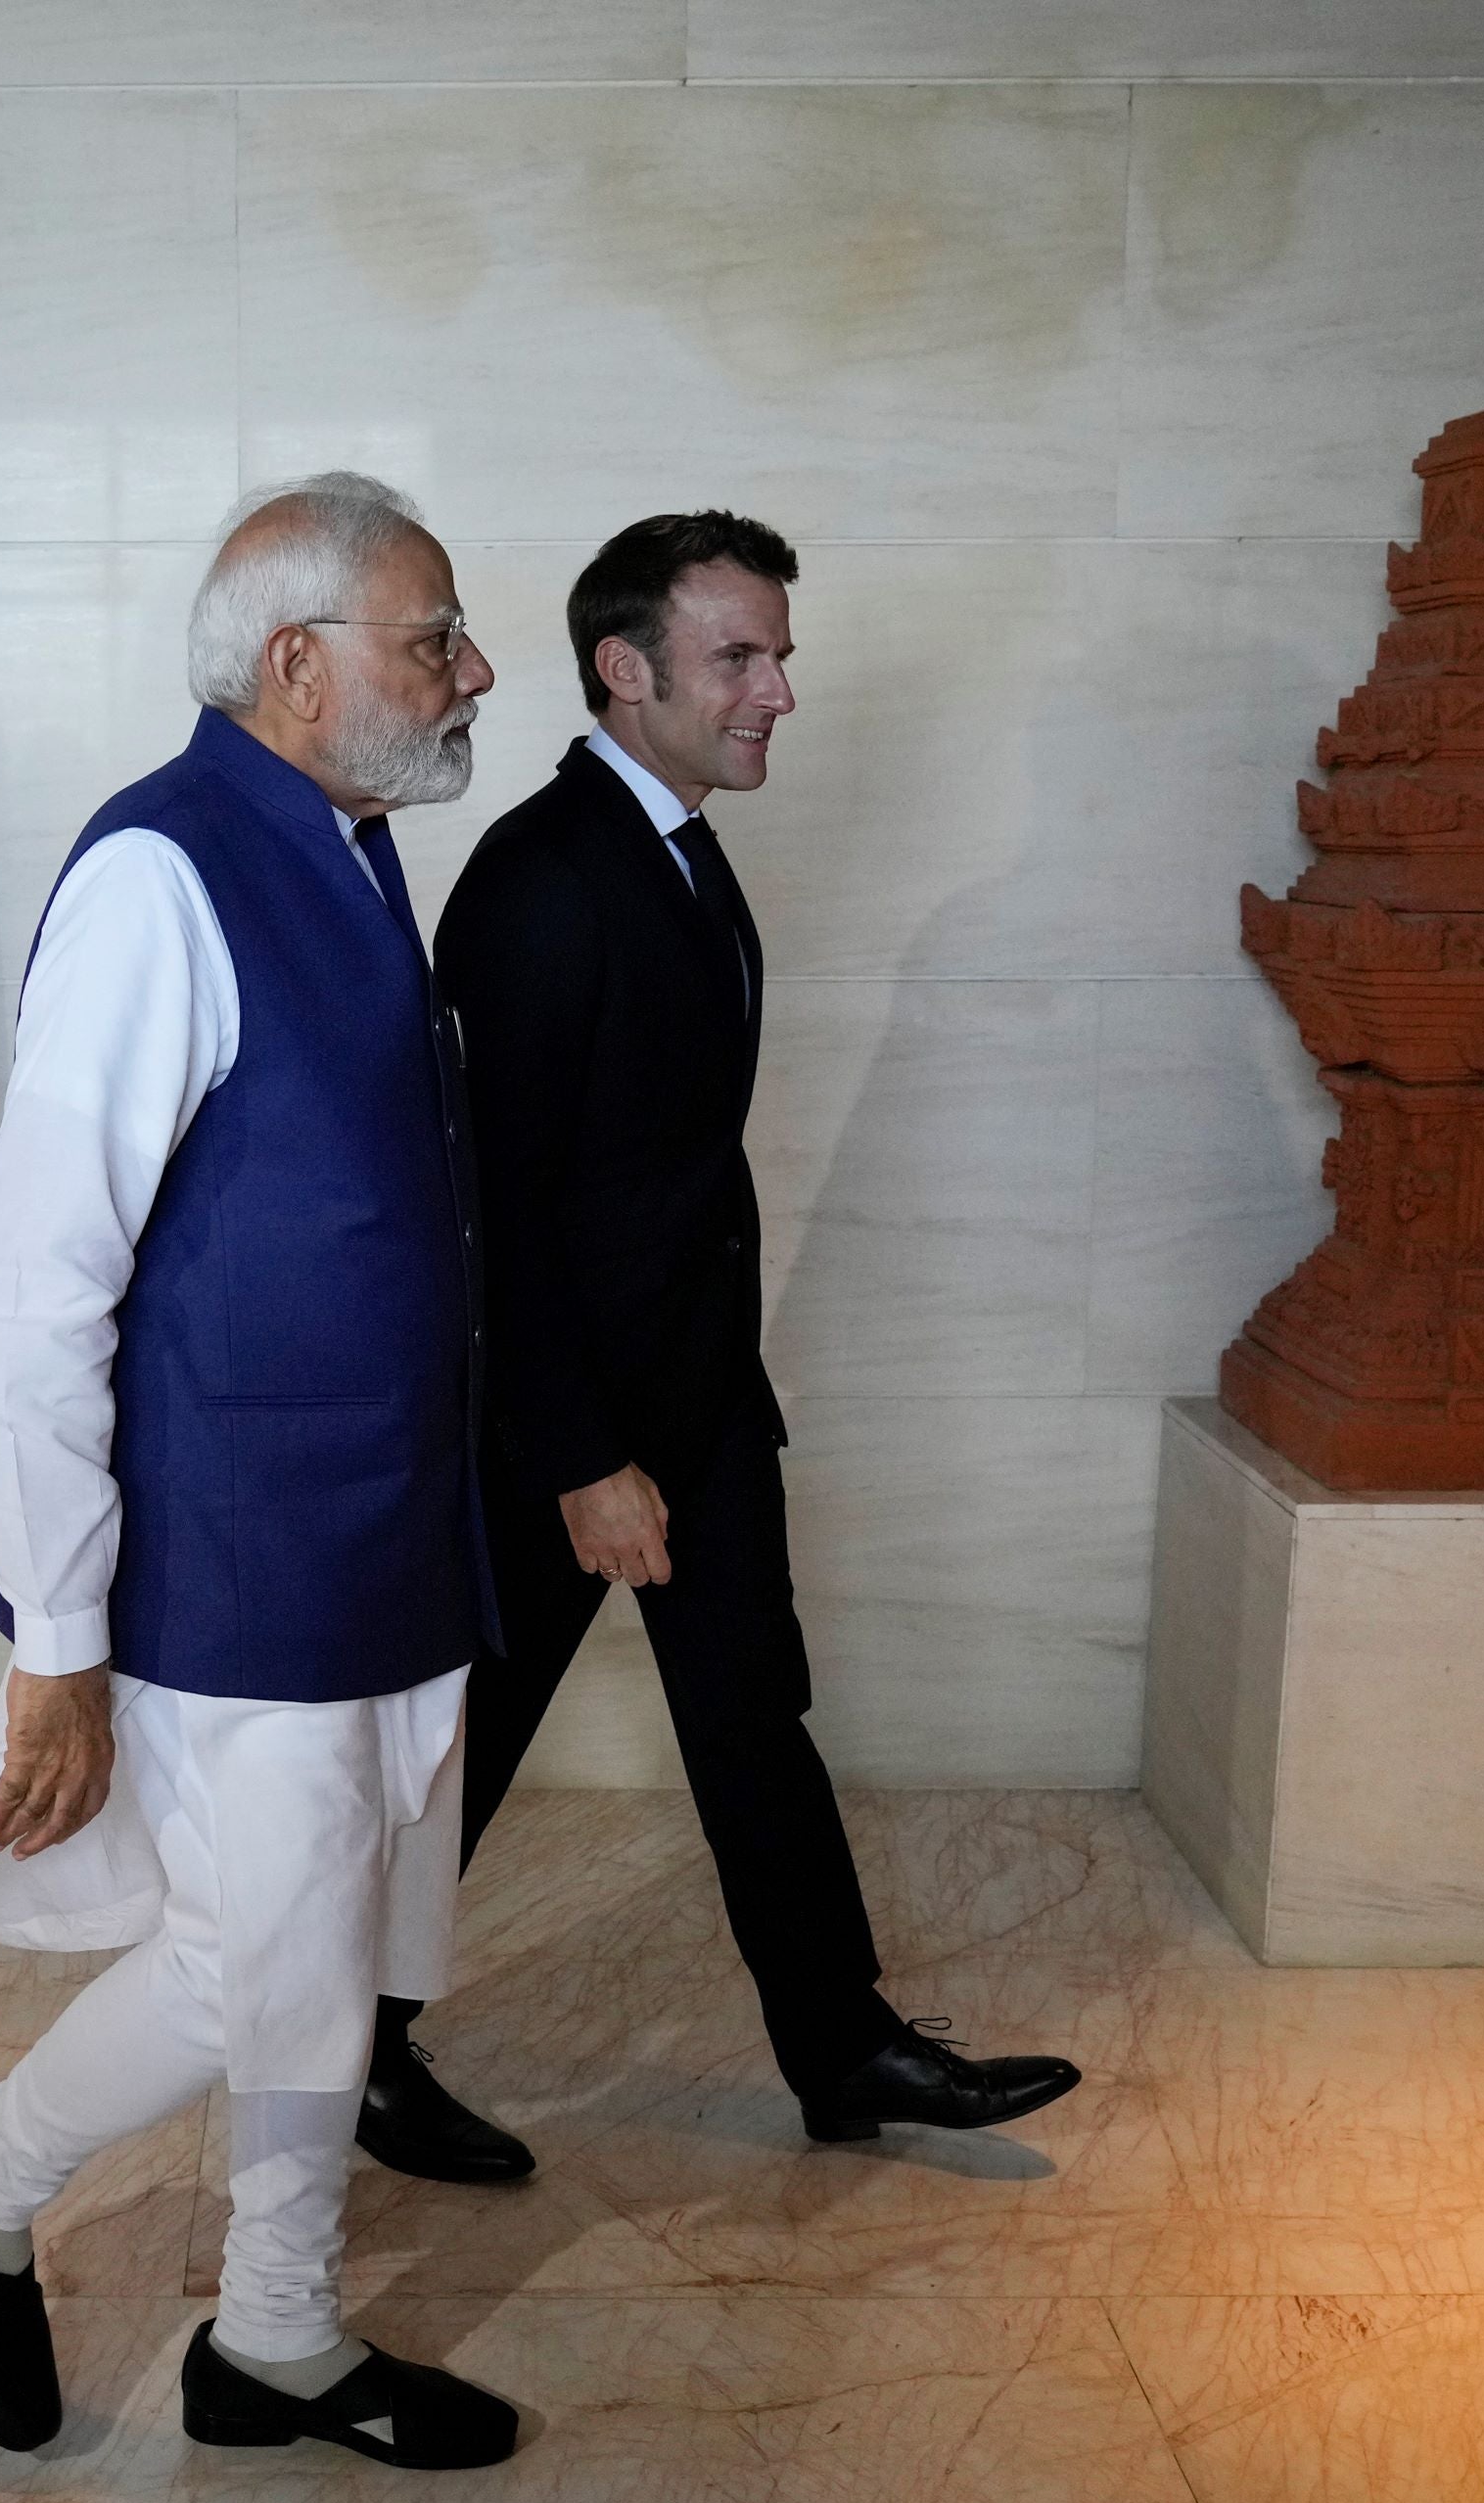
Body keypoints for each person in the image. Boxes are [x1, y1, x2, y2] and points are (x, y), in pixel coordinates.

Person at [0, 474, 517, 2472]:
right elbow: (32, 1283)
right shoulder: (165, 874)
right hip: (242, 1563)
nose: (470, 668)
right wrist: (58, 1629)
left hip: (379, 1544)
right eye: (431, 637)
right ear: (295, 666)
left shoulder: (342, 851)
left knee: (311, 1957)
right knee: (260, 1956)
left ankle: (262, 2334)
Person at [358, 510, 1083, 2185]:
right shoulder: (543, 879)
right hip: (568, 1430)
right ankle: (344, 2048)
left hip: (697, 1400)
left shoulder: (680, 845)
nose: (777, 693)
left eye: (780, 656)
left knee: (758, 1717)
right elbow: (502, 1211)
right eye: (739, 658)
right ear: (630, 671)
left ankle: (844, 2051)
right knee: (452, 1759)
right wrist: (581, 1457)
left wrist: (695, 1412)